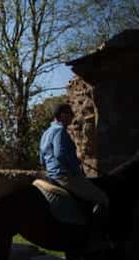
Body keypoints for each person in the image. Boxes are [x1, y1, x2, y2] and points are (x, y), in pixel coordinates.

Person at [40, 103, 110, 247]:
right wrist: (76, 170)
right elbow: (60, 154)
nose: (72, 116)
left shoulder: (46, 132)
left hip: (50, 174)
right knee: (102, 198)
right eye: (69, 113)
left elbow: (42, 158)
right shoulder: (60, 131)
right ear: (60, 115)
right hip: (65, 176)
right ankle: (95, 238)